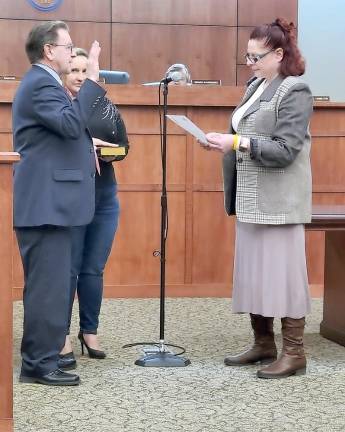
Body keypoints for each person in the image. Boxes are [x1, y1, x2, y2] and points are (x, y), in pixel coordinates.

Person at [199, 18, 313, 379]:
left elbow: (286, 149)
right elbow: (244, 132)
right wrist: (223, 141)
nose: (250, 63)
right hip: (250, 197)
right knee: (254, 274)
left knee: (284, 278)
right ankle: (264, 343)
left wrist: (237, 143)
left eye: (256, 56)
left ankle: (295, 352)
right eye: (247, 56)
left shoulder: (295, 90)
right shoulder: (255, 85)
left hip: (279, 200)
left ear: (279, 54)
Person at [12, 21, 106, 385]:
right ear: (49, 51)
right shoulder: (39, 84)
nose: (72, 52)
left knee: (51, 286)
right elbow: (70, 125)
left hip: (54, 203)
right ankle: (37, 364)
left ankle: (47, 353)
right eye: (68, 46)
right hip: (46, 205)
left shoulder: (46, 83)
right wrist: (92, 81)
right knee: (47, 288)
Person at [58, 48, 129, 370]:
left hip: (104, 197)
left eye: (86, 71)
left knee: (93, 268)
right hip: (70, 197)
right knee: (66, 269)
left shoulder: (102, 105)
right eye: (74, 70)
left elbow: (123, 146)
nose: (80, 76)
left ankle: (89, 331)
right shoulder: (56, 105)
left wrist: (110, 151)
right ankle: (60, 335)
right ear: (62, 72)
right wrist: (88, 147)